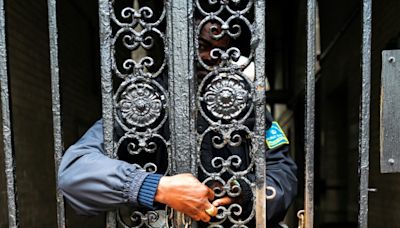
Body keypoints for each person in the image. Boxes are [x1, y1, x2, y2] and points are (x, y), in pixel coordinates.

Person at [58, 21, 297, 227]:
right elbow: (75, 172)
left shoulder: (246, 103)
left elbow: (282, 172)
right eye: (202, 46)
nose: (211, 59)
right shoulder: (143, 102)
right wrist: (157, 187)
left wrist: (245, 194)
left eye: (221, 51)